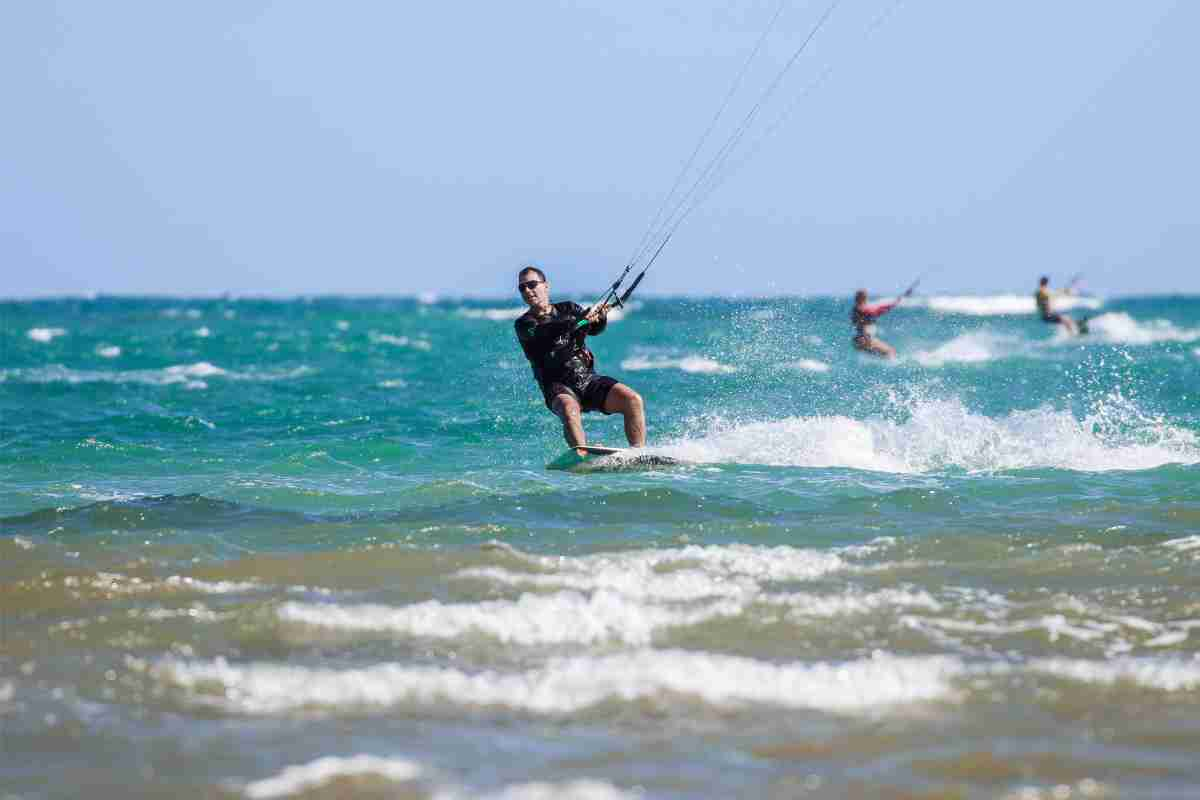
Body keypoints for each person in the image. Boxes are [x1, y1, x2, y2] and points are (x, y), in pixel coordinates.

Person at [513, 266, 645, 451]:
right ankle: (581, 455)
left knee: (632, 400)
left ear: (546, 286)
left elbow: (593, 329)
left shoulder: (569, 308)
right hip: (558, 387)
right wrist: (579, 320)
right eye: (522, 287)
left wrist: (600, 318)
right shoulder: (524, 324)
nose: (527, 290)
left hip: (587, 379)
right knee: (569, 409)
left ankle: (637, 453)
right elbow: (549, 331)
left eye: (532, 284)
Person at [851, 287, 911, 359]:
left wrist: (900, 298)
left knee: (882, 356)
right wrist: (898, 300)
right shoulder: (864, 310)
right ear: (864, 298)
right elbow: (879, 310)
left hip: (858, 341)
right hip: (865, 340)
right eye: (866, 297)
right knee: (890, 352)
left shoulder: (855, 309)